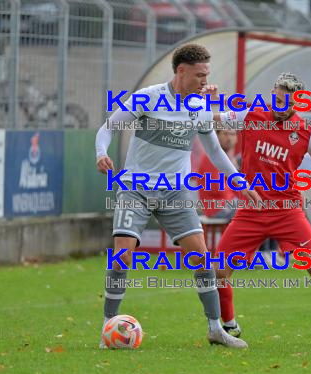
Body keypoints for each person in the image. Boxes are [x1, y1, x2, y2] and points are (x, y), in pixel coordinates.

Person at [95, 44, 260, 349]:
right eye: (200, 74)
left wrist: (239, 182)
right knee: (122, 256)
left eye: (206, 74)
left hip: (176, 191)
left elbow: (214, 150)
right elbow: (108, 128)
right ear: (181, 71)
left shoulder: (199, 107)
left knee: (201, 258)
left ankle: (215, 330)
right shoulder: (148, 97)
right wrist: (101, 153)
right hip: (137, 187)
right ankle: (108, 327)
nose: (204, 80)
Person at [205, 73, 311, 347]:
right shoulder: (249, 115)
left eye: (288, 98)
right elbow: (211, 120)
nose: (281, 102)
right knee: (219, 271)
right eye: (278, 95)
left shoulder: (307, 132)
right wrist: (204, 100)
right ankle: (228, 327)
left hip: (287, 212)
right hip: (251, 211)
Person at [196, 129, 239, 220]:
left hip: (226, 204)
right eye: (225, 134)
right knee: (255, 209)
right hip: (217, 207)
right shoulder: (211, 157)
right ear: (217, 136)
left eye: (232, 134)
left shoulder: (228, 157)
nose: (229, 138)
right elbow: (217, 187)